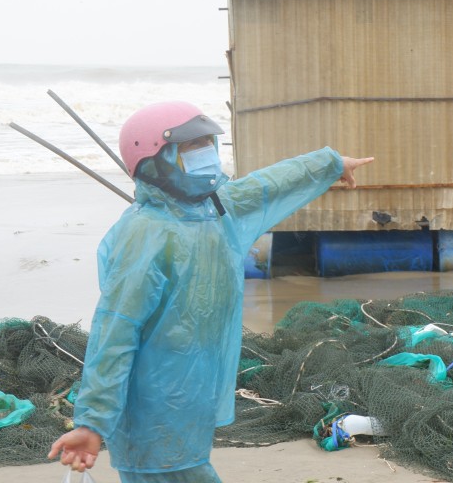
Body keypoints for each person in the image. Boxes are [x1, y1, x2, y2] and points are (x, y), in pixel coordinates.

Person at [48, 101, 374, 481]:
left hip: (192, 402)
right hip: (153, 410)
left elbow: (266, 184)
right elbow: (115, 330)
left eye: (207, 143)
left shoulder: (214, 209)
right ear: (154, 161)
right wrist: (92, 421)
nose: (205, 155)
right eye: (190, 147)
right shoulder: (144, 235)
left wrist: (330, 163)